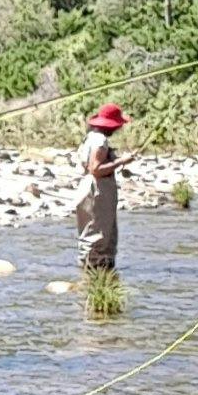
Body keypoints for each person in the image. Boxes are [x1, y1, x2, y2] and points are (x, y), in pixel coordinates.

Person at [74, 102, 132, 271]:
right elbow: (96, 169)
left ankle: (97, 279)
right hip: (97, 189)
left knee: (98, 233)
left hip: (90, 187)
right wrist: (122, 161)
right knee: (97, 236)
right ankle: (94, 278)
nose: (117, 129)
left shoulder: (91, 136)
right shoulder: (100, 140)